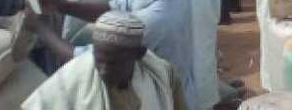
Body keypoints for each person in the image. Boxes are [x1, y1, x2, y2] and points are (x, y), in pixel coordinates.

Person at [31, 0, 196, 108]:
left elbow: (88, 58)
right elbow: (114, 8)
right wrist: (60, 5)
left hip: (157, 88)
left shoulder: (153, 20)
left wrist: (41, 30)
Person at [22, 11, 186, 110]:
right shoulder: (72, 78)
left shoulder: (161, 74)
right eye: (99, 61)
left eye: (114, 63)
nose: (103, 70)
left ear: (138, 54)